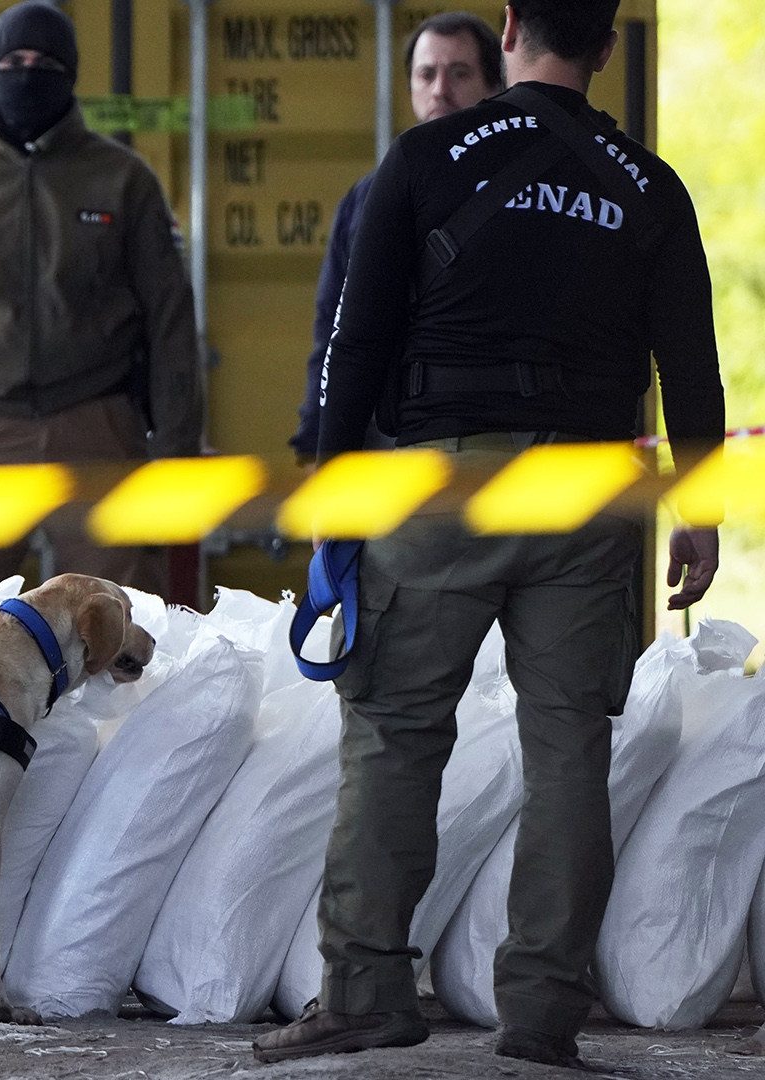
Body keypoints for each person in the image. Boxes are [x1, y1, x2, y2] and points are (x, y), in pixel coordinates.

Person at [254, 0, 723, 1069]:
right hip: (594, 494)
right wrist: (700, 512)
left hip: (443, 485)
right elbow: (689, 363)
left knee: (396, 734)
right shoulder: (650, 187)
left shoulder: (425, 157)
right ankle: (543, 1016)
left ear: (510, 27)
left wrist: (335, 484)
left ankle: (368, 989)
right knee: (568, 750)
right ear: (606, 46)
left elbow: (357, 336)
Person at [0, 1, 200, 601]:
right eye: (14, 60)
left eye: (46, 61)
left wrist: (177, 445)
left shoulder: (123, 179)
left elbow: (171, 320)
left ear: (71, 73)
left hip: (97, 422)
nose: (28, 72)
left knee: (124, 613)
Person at [288, 12, 503, 461]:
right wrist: (316, 443)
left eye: (459, 73)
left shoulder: (522, 190)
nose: (439, 90)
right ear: (409, 88)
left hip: (493, 435)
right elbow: (334, 329)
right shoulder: (368, 197)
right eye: (426, 75)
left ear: (494, 86)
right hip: (382, 437)